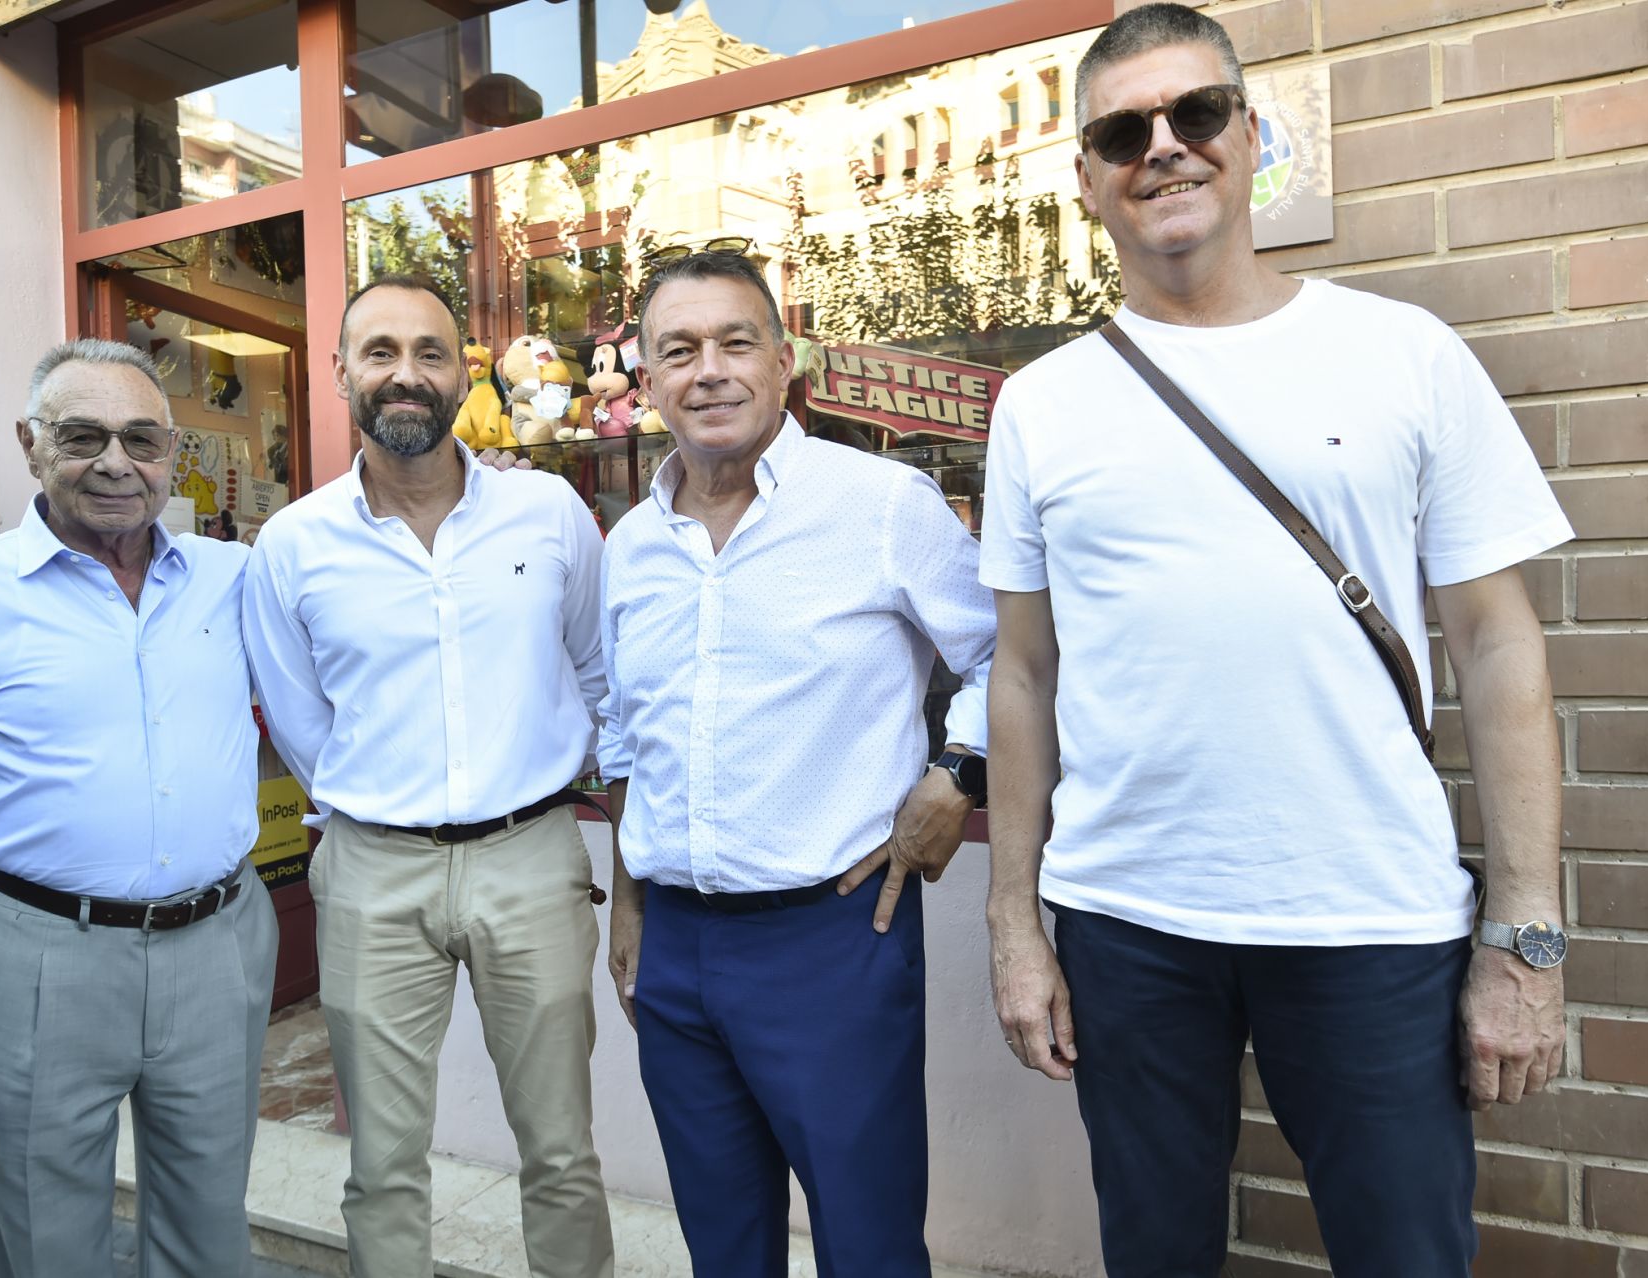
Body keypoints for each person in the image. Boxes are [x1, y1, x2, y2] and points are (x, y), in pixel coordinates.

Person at [981, 7, 1573, 1275]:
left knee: (1405, 1253)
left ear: (1252, 139)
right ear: (1087, 178)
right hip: (1126, 920)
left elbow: (1499, 643)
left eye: (1196, 115)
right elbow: (1022, 676)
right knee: (1155, 1252)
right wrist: (1015, 923)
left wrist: (1525, 932)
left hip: (1370, 915)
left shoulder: (1401, 353)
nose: (1164, 149)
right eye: (1122, 131)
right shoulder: (1039, 405)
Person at [599, 249, 996, 1276]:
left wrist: (960, 776)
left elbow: (1011, 656)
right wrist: (629, 900)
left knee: (866, 1248)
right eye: (678, 350)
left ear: (784, 362)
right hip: (677, 948)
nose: (710, 370)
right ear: (646, 380)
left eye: (736, 342)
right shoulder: (632, 545)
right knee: (724, 1250)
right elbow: (628, 728)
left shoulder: (882, 504)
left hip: (834, 938)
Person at [0, 339, 278, 1278]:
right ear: (29, 444)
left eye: (142, 439)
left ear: (174, 453)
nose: (116, 463)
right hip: (31, 956)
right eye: (82, 435)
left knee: (212, 1226)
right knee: (46, 1238)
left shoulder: (233, 577)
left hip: (218, 947)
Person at [241, 275, 613, 1278]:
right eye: (380, 352)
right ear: (341, 373)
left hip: (532, 859)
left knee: (563, 1154)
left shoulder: (549, 514)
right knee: (384, 1163)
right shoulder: (293, 548)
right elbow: (301, 721)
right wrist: (385, 805)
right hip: (371, 872)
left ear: (464, 370)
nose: (405, 373)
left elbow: (596, 670)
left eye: (430, 352)